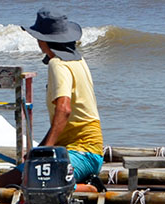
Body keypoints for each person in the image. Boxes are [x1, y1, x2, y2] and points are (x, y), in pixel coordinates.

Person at [19, 9, 104, 184]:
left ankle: (92, 187)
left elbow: (64, 109)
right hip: (80, 150)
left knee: (42, 183)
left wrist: (44, 151)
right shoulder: (79, 61)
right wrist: (40, 149)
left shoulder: (57, 64)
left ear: (42, 40)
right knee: (9, 180)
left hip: (83, 151)